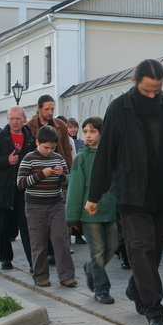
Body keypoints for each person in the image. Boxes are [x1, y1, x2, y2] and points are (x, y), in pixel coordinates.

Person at [86, 59, 163, 325]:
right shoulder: (119, 109)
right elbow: (106, 153)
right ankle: (155, 311)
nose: (153, 95)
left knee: (154, 251)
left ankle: (136, 290)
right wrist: (94, 194)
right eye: (147, 90)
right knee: (140, 249)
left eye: (157, 89)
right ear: (135, 81)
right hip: (132, 193)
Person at [66, 116, 119, 304]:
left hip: (110, 209)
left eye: (92, 131)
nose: (87, 135)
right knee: (97, 251)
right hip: (90, 213)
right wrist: (72, 216)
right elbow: (75, 187)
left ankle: (91, 269)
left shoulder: (112, 156)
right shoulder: (81, 158)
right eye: (85, 131)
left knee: (112, 246)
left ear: (102, 133)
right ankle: (101, 289)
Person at [17, 125, 76, 288]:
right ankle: (41, 276)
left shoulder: (58, 158)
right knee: (39, 243)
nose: (49, 150)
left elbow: (68, 182)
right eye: (46, 147)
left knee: (61, 240)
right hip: (35, 206)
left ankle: (66, 276)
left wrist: (61, 175)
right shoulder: (29, 158)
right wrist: (42, 174)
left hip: (56, 205)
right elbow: (21, 183)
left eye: (52, 147)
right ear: (37, 142)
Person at [0, 106, 36, 271]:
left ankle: (33, 262)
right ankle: (5, 258)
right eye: (11, 118)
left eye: (18, 118)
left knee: (26, 226)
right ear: (7, 119)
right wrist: (5, 161)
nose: (14, 122)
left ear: (24, 119)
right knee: (3, 226)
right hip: (1, 189)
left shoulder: (30, 139)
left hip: (22, 189)